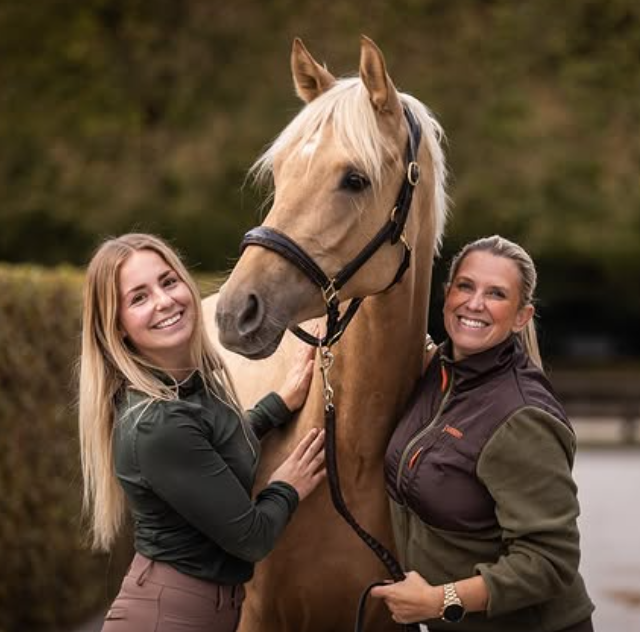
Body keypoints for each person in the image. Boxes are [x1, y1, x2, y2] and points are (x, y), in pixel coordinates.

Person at [78, 233, 325, 632]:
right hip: (168, 617)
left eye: (168, 281)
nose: (163, 301)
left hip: (199, 611)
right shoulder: (157, 423)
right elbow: (251, 537)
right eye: (138, 298)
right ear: (117, 326)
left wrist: (277, 404)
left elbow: (210, 451)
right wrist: (286, 486)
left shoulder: (189, 388)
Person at [371, 235, 595, 631]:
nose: (475, 303)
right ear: (446, 294)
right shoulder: (435, 372)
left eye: (496, 294)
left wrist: (440, 601)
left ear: (522, 316)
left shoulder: (523, 417)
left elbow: (550, 562)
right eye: (466, 286)